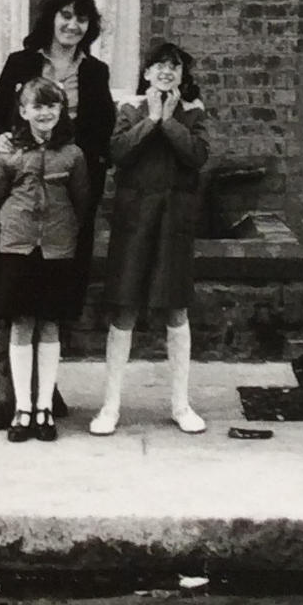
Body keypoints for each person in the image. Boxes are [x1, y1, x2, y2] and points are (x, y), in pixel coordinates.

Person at [90, 38, 210, 437]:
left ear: (181, 75)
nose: (166, 71)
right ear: (145, 73)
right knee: (124, 309)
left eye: (174, 66)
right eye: (158, 65)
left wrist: (170, 120)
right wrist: (152, 120)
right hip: (134, 222)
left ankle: (181, 404)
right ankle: (110, 406)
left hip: (173, 222)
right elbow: (118, 152)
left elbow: (197, 156)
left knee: (176, 309)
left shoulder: (193, 112)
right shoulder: (128, 108)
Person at [0, 0, 117, 312]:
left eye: (82, 19)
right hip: (23, 178)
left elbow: (103, 129)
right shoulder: (21, 63)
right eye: (66, 15)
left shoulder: (95, 72)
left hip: (69, 179)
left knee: (64, 265)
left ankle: (52, 342)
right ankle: (12, 345)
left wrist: (80, 162)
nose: (73, 25)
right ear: (52, 18)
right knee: (15, 266)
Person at [0, 78, 91, 441]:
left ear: (62, 112)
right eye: (37, 106)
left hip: (57, 250)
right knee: (21, 325)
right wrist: (10, 237)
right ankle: (22, 409)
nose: (45, 113)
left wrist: (64, 236)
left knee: (49, 325)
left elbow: (82, 201)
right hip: (18, 250)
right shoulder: (8, 152)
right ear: (24, 111)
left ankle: (45, 407)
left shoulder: (73, 155)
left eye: (52, 106)